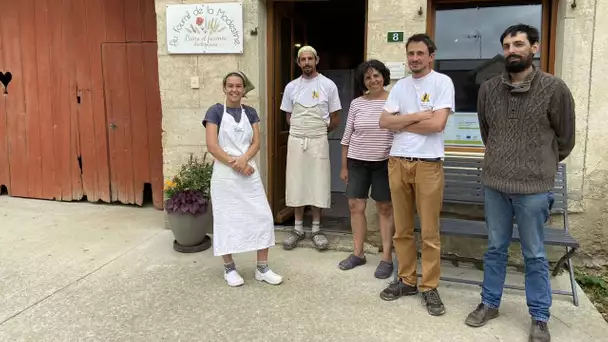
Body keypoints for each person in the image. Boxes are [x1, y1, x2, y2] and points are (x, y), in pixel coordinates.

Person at [464, 24, 575, 342]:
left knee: (535, 254)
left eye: (519, 44)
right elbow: (488, 131)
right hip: (495, 184)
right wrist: (503, 157)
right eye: (507, 45)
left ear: (535, 48)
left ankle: (540, 317)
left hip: (534, 189)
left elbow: (566, 138)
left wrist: (538, 164)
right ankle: (489, 303)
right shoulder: (488, 89)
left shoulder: (555, 88)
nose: (511, 50)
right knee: (495, 248)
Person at [378, 33, 455, 317]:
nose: (415, 58)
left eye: (420, 53)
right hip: (398, 162)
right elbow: (384, 121)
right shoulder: (400, 86)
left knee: (430, 232)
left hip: (428, 164)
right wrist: (418, 116)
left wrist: (402, 123)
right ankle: (407, 280)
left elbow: (437, 125)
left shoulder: (442, 83)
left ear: (431, 56)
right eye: (411, 53)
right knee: (402, 229)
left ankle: (429, 286)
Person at [203, 71, 283, 287]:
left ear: (244, 89)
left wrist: (244, 159)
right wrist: (235, 163)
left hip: (248, 171)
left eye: (238, 86)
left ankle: (262, 268)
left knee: (262, 216)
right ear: (224, 87)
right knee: (226, 219)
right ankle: (229, 269)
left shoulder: (251, 113)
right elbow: (212, 145)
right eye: (230, 85)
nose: (234, 90)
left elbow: (256, 142)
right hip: (225, 175)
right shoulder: (215, 111)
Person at [280, 45, 342, 250]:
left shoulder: (328, 85)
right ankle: (297, 228)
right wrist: (302, 131)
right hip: (297, 139)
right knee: (297, 181)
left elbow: (335, 118)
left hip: (318, 141)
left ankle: (316, 229)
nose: (307, 62)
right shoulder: (291, 87)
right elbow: (289, 117)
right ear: (298, 63)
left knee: (318, 182)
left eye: (310, 58)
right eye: (303, 59)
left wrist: (318, 131)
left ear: (317, 60)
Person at [338, 59, 395, 279]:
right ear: (363, 81)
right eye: (368, 77)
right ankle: (358, 253)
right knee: (355, 206)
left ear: (384, 76)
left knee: (385, 209)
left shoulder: (394, 101)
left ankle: (386, 258)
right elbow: (347, 136)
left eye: (376, 75)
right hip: (357, 161)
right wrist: (344, 166)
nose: (373, 80)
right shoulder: (357, 104)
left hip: (384, 163)